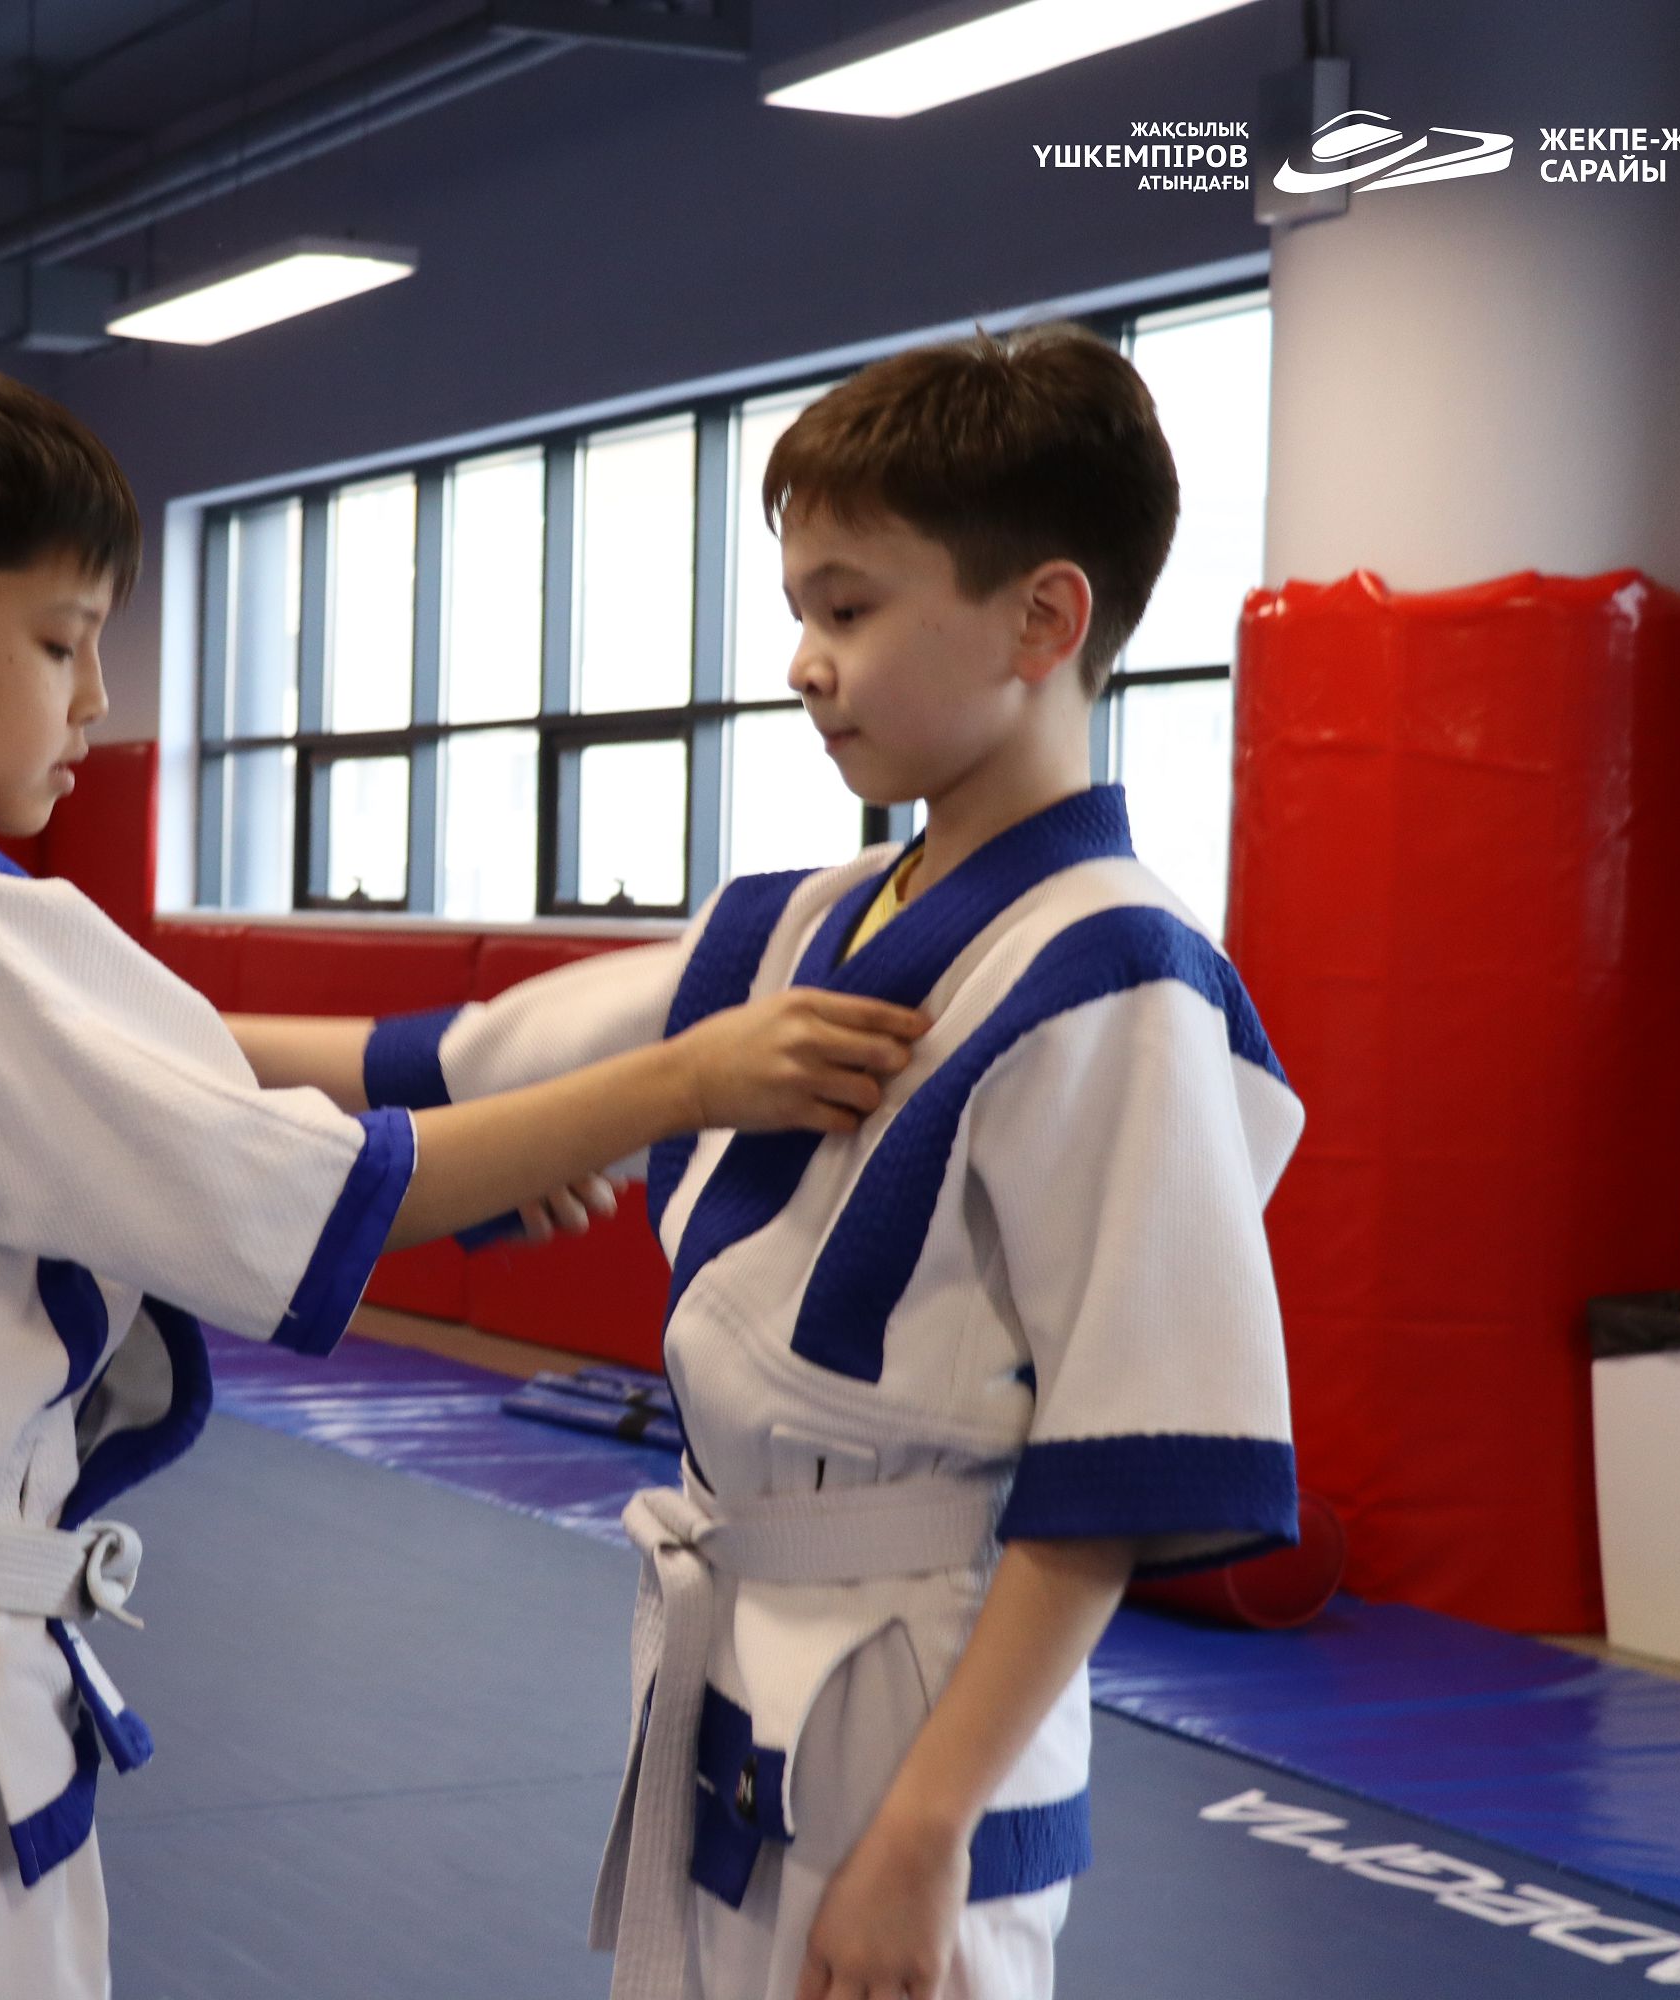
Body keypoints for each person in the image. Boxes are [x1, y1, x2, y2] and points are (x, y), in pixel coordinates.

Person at [0, 334, 931, 2000]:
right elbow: (293, 1187)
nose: (96, 700)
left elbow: (184, 1074)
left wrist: (516, 1117)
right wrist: (689, 1077)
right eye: (61, 642)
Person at [231, 325, 1303, 2000]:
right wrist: (93, 1016)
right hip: (738, 1664)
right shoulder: (793, 928)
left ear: (1045, 618)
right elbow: (443, 1069)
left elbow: (1114, 1475)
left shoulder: (1120, 970)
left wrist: (927, 1835)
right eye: (801, 610)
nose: (804, 662)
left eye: (849, 610)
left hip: (927, 1709)